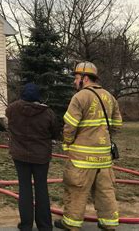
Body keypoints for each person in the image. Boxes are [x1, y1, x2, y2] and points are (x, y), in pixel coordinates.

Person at [54, 62, 122, 231]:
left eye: (76, 78)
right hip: (104, 158)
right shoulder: (109, 97)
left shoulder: (80, 97)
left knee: (76, 191)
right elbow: (117, 125)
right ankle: (109, 224)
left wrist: (68, 143)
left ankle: (71, 224)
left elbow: (69, 126)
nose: (74, 82)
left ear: (84, 78)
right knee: (105, 192)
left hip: (81, 160)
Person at [6, 82, 58, 231]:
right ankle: (45, 226)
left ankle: (26, 225)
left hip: (19, 155)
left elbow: (8, 120)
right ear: (38, 97)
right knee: (42, 188)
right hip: (41, 157)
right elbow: (55, 132)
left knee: (25, 188)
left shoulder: (12, 109)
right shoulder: (48, 113)